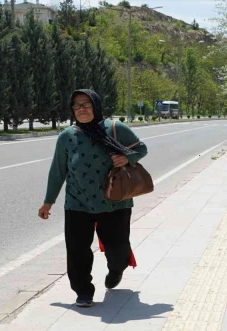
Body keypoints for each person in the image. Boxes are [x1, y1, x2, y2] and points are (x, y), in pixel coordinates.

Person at [38, 89, 148, 307]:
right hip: (77, 201)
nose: (81, 109)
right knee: (77, 250)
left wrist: (126, 158)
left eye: (86, 104)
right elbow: (58, 170)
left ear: (96, 106)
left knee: (117, 248)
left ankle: (117, 269)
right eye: (77, 105)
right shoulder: (67, 136)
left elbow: (141, 149)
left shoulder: (114, 128)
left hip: (115, 201)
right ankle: (83, 291)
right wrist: (48, 201)